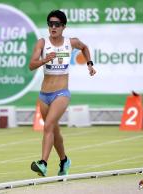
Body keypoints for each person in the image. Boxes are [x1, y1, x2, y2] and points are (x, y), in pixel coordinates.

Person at [29, 10, 96, 177]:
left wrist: (89, 63)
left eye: (57, 24)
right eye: (50, 24)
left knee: (48, 126)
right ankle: (64, 160)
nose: (53, 27)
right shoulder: (42, 43)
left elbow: (84, 47)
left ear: (63, 27)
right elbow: (31, 65)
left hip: (61, 93)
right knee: (54, 131)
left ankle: (43, 163)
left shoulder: (70, 42)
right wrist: (44, 59)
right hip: (44, 95)